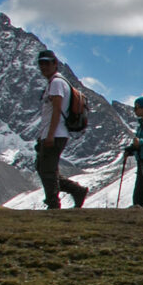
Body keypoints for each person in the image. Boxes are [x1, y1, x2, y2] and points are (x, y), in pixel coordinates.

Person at [33, 50, 89, 209]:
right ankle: (76, 190)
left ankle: (53, 204)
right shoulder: (54, 82)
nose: (43, 66)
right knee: (44, 167)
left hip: (55, 134)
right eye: (41, 63)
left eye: (47, 63)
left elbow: (57, 110)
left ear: (54, 63)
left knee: (47, 171)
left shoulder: (57, 83)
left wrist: (50, 135)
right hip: (52, 133)